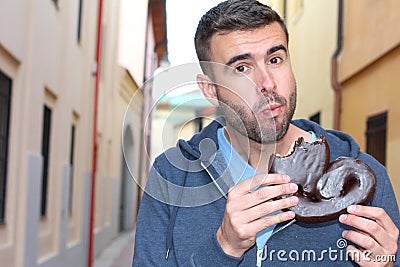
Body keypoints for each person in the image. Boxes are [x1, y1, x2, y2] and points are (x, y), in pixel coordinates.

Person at [132, 0, 400, 266]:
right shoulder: (171, 178)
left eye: (275, 59)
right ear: (210, 90)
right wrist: (224, 246)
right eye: (241, 68)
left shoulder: (365, 179)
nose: (268, 83)